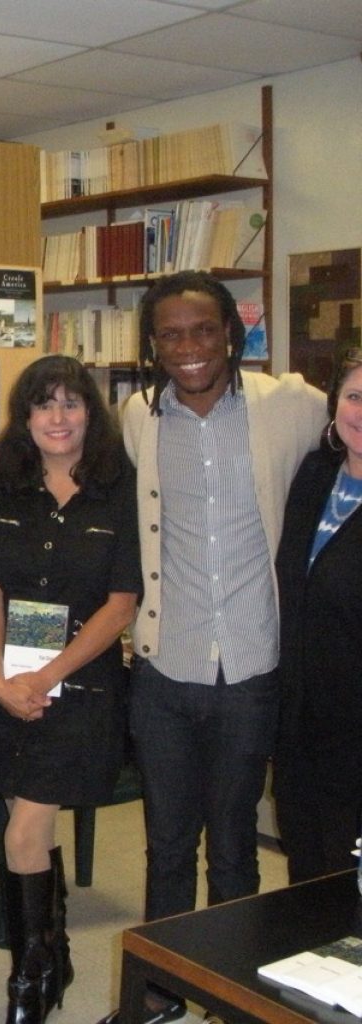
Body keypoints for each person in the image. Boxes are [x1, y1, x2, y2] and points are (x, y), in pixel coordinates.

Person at [99, 271, 327, 1024]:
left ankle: (234, 994)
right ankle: (162, 992)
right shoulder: (137, 417)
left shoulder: (288, 406)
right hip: (166, 663)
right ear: (153, 344)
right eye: (171, 334)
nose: (189, 347)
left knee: (233, 845)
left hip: (254, 663)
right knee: (166, 844)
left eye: (203, 330)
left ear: (231, 331)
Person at [0, 356, 139, 1024]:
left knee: (21, 834)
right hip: (7, 685)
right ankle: (56, 952)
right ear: (26, 416)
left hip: (80, 690)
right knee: (28, 830)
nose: (59, 418)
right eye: (45, 405)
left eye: (72, 404)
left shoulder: (119, 486)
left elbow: (121, 603)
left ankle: (28, 983)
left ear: (90, 414)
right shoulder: (3, 487)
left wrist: (46, 675)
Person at [274, 347, 362, 883]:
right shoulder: (314, 474)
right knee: (305, 856)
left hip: (356, 725)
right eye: (355, 397)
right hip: (299, 715)